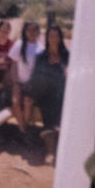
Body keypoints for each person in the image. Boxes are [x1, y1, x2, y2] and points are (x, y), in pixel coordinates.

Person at [30, 25, 69, 159]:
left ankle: (52, 145)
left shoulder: (66, 55)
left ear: (60, 38)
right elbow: (35, 76)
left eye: (56, 36)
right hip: (44, 93)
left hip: (60, 93)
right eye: (51, 36)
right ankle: (51, 147)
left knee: (59, 98)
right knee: (48, 102)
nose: (53, 39)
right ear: (47, 38)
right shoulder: (41, 56)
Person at [8, 21, 41, 132]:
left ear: (38, 32)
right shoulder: (19, 44)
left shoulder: (40, 48)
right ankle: (23, 131)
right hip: (18, 82)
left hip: (33, 84)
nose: (32, 33)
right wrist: (15, 82)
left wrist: (31, 83)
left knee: (27, 103)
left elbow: (39, 71)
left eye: (34, 30)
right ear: (25, 32)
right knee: (15, 101)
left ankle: (26, 128)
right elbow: (13, 64)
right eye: (29, 30)